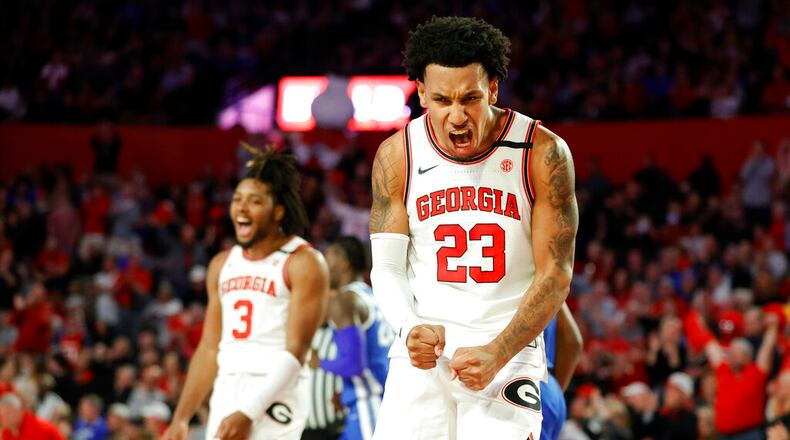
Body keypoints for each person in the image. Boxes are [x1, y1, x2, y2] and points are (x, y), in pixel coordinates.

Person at [368, 16, 578, 439]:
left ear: (494, 88)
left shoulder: (542, 152)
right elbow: (386, 267)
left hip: (506, 352)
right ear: (422, 92)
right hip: (422, 352)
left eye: (470, 98)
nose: (457, 115)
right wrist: (409, 327)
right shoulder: (398, 155)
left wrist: (499, 351)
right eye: (442, 100)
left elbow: (556, 273)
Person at [163, 145, 330, 440]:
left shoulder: (303, 261)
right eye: (237, 199)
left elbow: (297, 352)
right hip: (227, 387)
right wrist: (181, 418)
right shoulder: (222, 264)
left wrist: (249, 411)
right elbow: (210, 347)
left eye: (254, 202)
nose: (241, 208)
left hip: (276, 393)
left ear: (278, 211)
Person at [320, 236, 394, 440]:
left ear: (343, 264)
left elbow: (355, 365)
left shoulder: (345, 300)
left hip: (368, 405)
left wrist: (318, 362)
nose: (324, 266)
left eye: (328, 259)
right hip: (385, 398)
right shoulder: (373, 295)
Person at [540, 303, 582, 440]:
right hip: (549, 389)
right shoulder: (551, 282)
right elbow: (574, 343)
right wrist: (556, 389)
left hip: (524, 380)